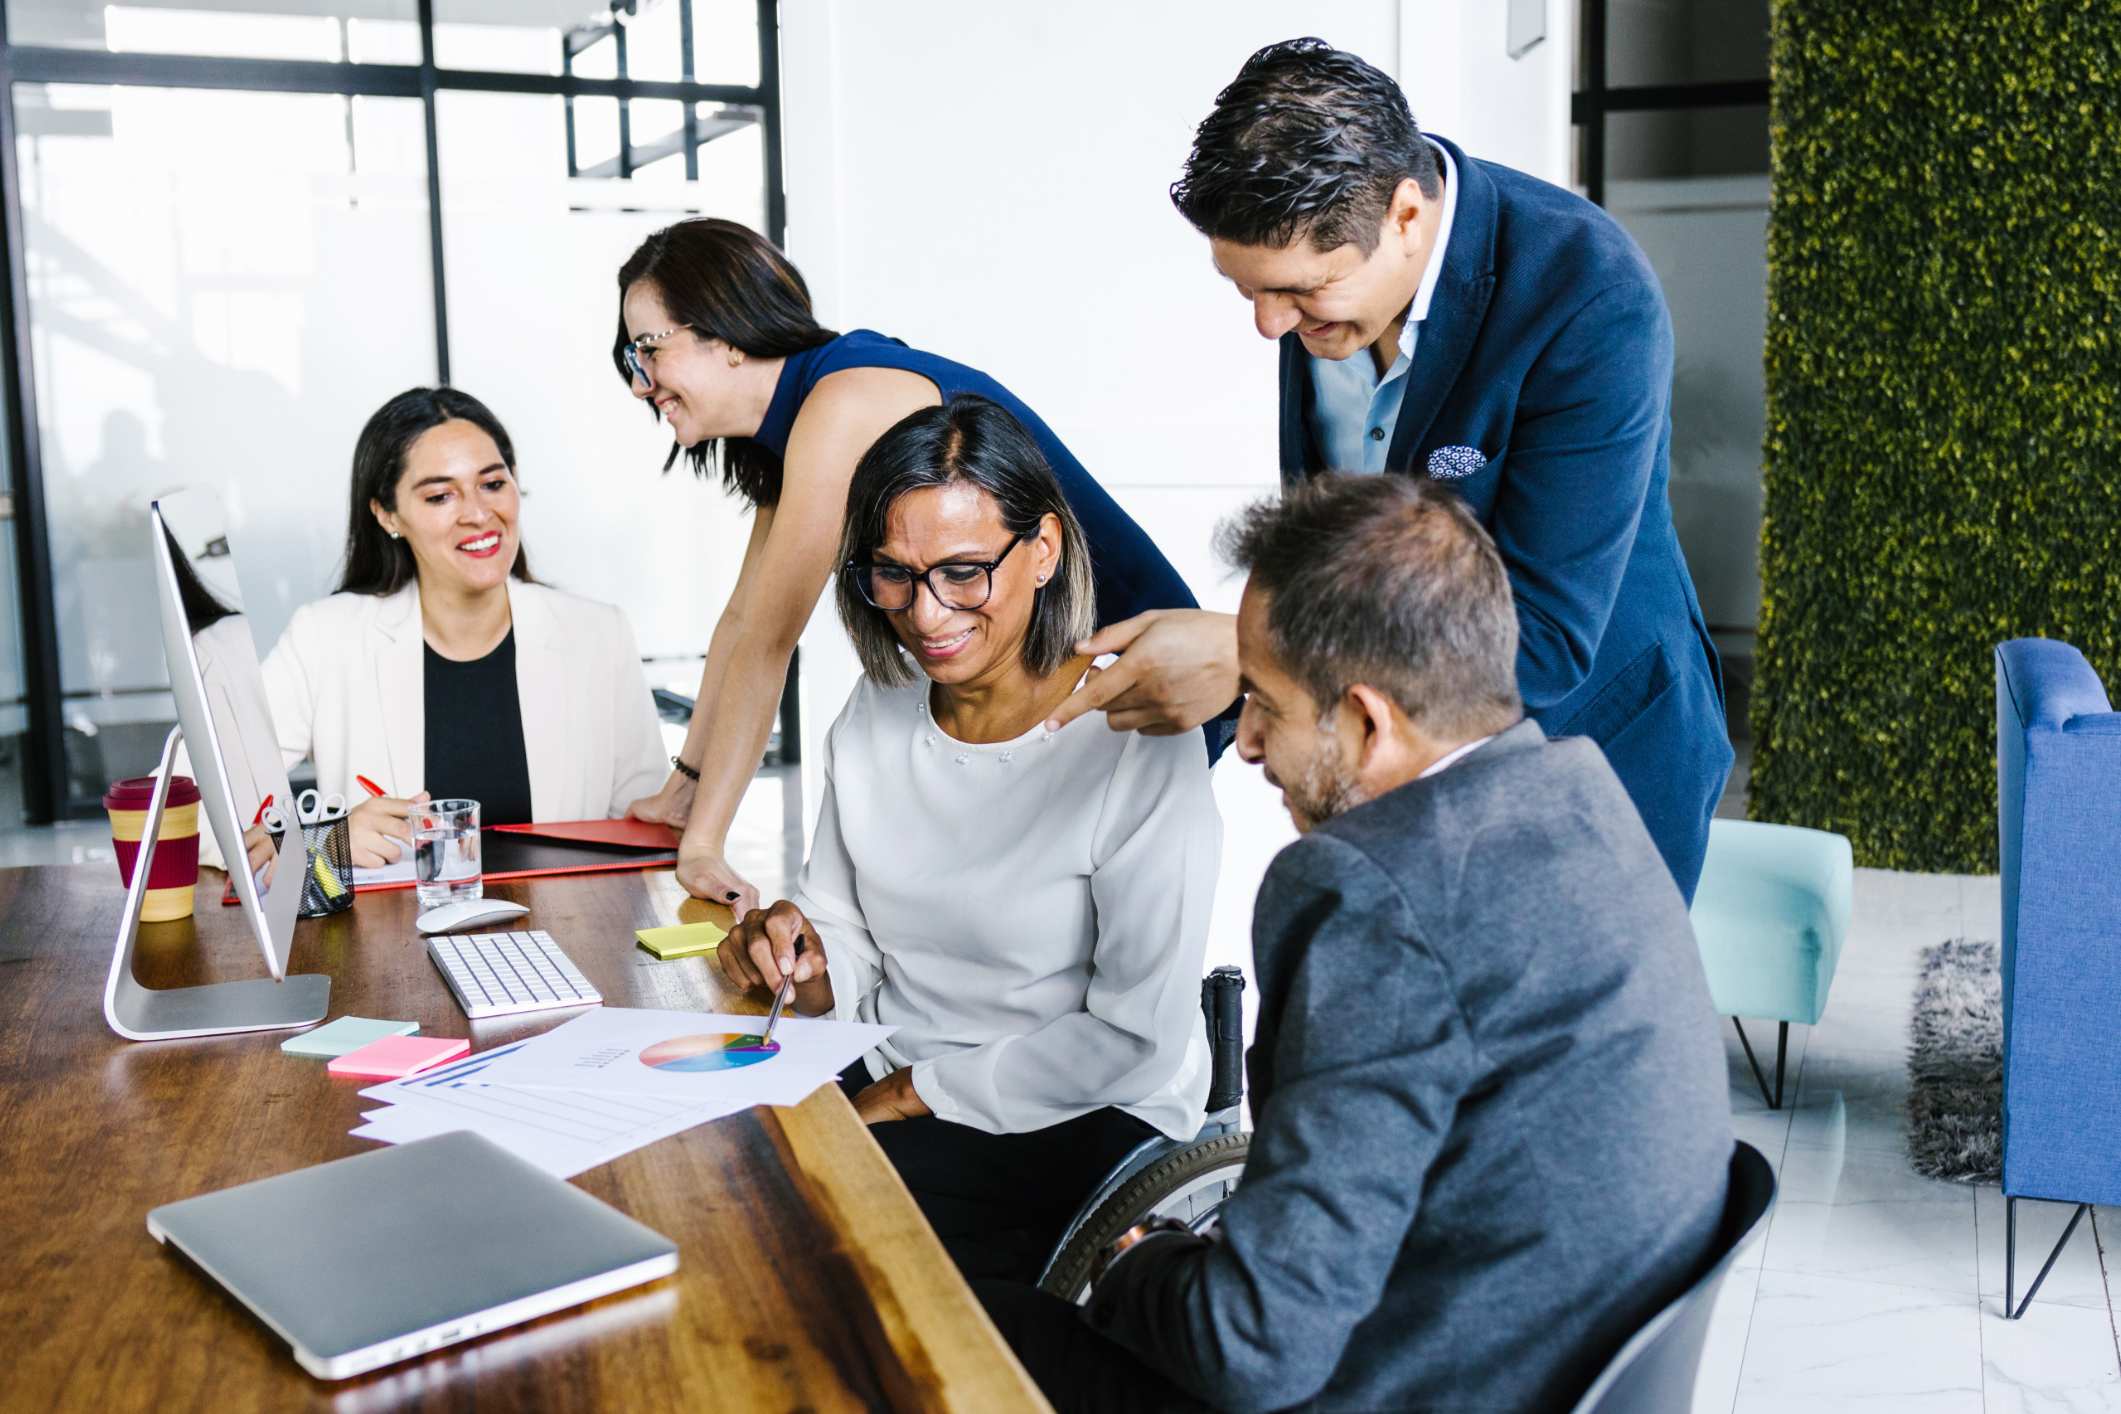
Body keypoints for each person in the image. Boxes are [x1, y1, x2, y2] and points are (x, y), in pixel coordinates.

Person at [977, 475, 1733, 1414]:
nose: (1245, 740)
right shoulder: (1579, 800)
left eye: (1262, 701)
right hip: (1528, 1355)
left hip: (1405, 1383)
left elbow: (1250, 1349)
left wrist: (1135, 1264)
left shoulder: (1373, 893)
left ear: (1369, 722)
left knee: (964, 1323)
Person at [1048, 37, 1733, 901]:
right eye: (1245, 289)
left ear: (1405, 217)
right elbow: (1341, 562)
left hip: (1590, 755)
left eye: (1300, 291)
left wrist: (1247, 656)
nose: (1268, 326)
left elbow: (1549, 639)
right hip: (1391, 771)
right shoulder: (1326, 292)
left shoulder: (1588, 290)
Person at [718, 395, 1220, 1282]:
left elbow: (1133, 1036)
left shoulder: (1134, 734)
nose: (926, 614)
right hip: (894, 1072)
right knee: (720, 1182)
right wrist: (800, 951)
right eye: (893, 574)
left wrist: (915, 1095)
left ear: (1044, 552)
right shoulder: (877, 712)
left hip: (1076, 1104)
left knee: (808, 1241)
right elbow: (842, 921)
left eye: (962, 572)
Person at [610, 219, 1213, 913]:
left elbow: (770, 642)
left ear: (723, 332)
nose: (638, 383)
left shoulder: (840, 401)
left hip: (1135, 668)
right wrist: (685, 790)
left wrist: (706, 843)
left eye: (647, 350)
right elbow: (742, 621)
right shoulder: (804, 416)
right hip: (1030, 671)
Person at [258, 387, 665, 869]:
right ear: (387, 514)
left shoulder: (599, 635)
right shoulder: (324, 639)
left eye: (492, 484)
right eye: (440, 495)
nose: (476, 513)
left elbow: (648, 828)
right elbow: (194, 812)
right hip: (391, 940)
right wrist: (323, 843)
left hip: (566, 932)